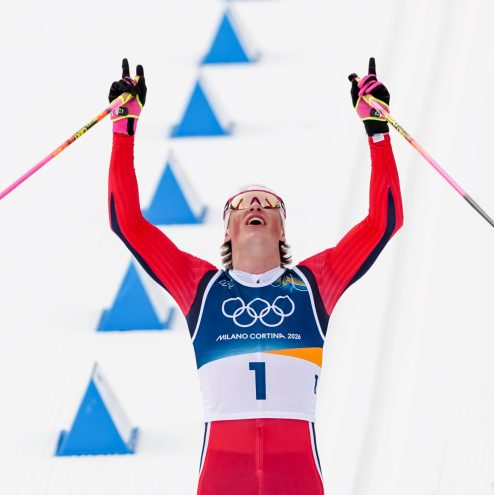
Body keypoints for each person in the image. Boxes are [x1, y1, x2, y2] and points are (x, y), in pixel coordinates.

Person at [107, 57, 403, 495]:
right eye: (242, 204)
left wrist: (378, 132)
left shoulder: (313, 285)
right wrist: (123, 129)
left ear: (282, 229)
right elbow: (128, 223)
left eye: (268, 203)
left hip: (297, 475)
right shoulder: (201, 287)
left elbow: (384, 221)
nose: (256, 205)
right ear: (227, 229)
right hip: (223, 476)